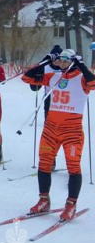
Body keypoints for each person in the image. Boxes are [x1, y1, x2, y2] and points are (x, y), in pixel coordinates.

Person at [21, 48, 95, 222]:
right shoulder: (52, 77)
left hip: (72, 130)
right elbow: (27, 78)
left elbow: (93, 83)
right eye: (59, 61)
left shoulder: (82, 78)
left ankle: (70, 204)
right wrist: (45, 60)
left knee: (73, 167)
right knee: (44, 163)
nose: (60, 64)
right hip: (51, 129)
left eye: (64, 61)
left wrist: (81, 64)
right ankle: (43, 200)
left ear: (72, 62)